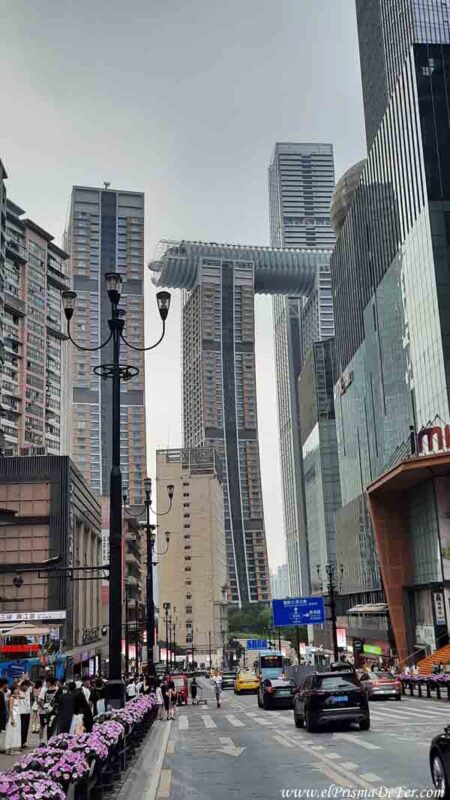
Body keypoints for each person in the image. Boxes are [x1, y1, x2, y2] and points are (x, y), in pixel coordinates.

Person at [5, 686, 21, 755]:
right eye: (16, 689)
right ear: (13, 690)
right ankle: (9, 749)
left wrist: (16, 694)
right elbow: (10, 709)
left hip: (17, 715)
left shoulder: (17, 697)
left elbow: (24, 696)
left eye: (18, 689)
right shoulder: (11, 698)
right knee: (11, 732)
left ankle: (12, 749)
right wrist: (12, 719)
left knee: (15, 732)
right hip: (13, 716)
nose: (18, 690)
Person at [18, 677, 32, 749]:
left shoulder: (28, 691)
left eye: (27, 686)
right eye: (25, 686)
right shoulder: (18, 692)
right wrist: (22, 680)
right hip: (21, 713)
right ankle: (20, 742)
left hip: (28, 712)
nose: (26, 687)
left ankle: (24, 742)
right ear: (22, 686)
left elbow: (34, 685)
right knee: (22, 728)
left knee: (26, 728)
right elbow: (17, 686)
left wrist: (28, 680)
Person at [0, 679, 8, 753]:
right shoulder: (0, 693)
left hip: (3, 713)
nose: (7, 685)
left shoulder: (2, 692)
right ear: (3, 684)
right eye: (6, 684)